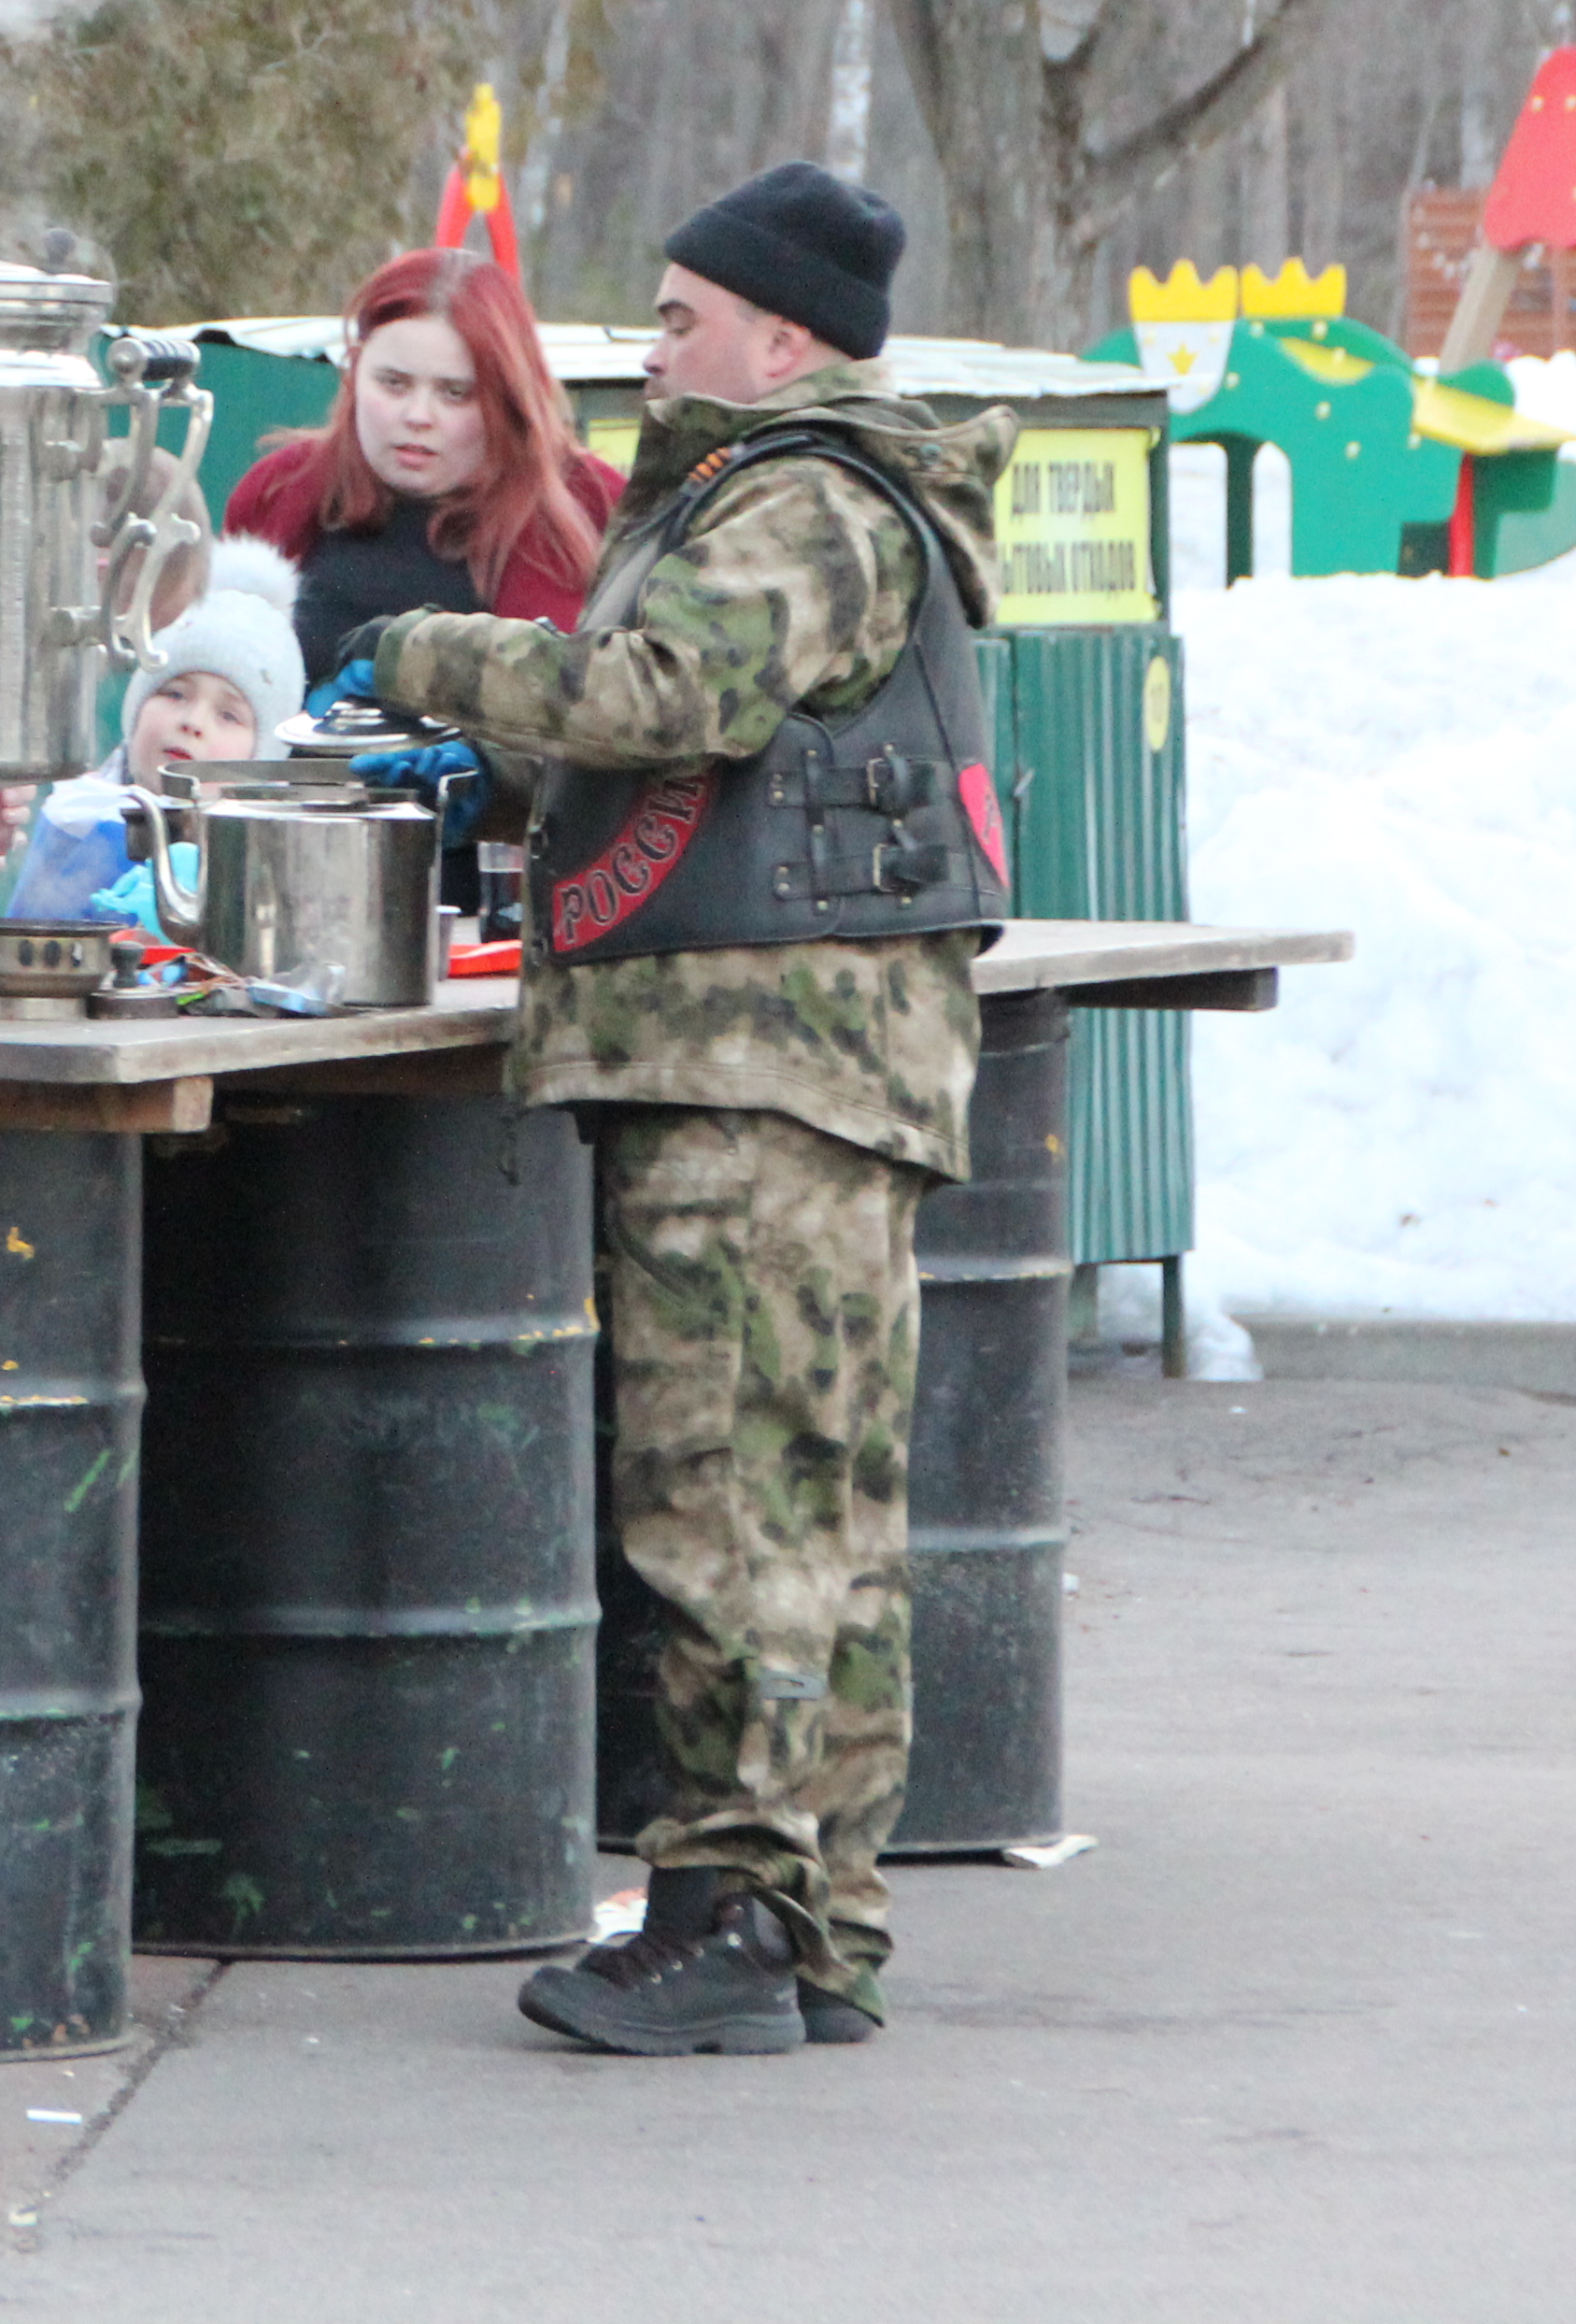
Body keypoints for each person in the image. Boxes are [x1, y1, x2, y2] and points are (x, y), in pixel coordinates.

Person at [354, 157, 1007, 2060]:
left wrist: (433, 657)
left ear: (777, 333)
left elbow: (667, 693)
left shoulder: (803, 496)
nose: (651, 345)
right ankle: (815, 1927)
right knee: (818, 1505)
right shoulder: (810, 492)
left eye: (677, 312)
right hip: (799, 1069)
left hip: (756, 1077)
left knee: (723, 1501)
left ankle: (726, 1913)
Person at [229, 244, 622, 677]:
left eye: (455, 393)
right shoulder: (280, 488)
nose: (417, 416)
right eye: (393, 384)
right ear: (354, 373)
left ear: (506, 399)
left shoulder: (593, 507)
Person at [0, 539, 304, 921]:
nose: (192, 723)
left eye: (228, 716)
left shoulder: (265, 872)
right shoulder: (80, 819)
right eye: (175, 693)